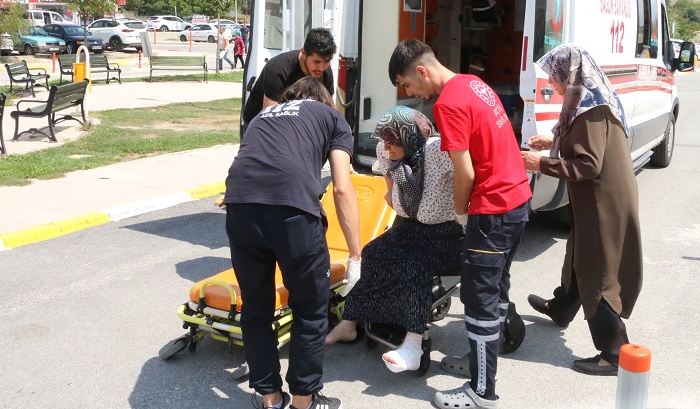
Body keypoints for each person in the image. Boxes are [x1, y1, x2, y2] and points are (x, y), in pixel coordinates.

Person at [388, 39, 532, 409]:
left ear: (421, 70)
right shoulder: (472, 83)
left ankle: (482, 391)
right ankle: (483, 362)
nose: (409, 92)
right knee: (498, 287)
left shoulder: (448, 102)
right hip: (517, 201)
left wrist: (459, 212)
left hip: (493, 208)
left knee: (479, 300)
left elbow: (464, 171)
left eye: (407, 84)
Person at [224, 76, 362, 409]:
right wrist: (356, 255)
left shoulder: (262, 117)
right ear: (325, 100)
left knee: (256, 309)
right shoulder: (331, 117)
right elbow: (343, 188)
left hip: (239, 209)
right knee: (310, 311)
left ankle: (270, 400)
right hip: (292, 213)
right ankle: (304, 401)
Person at [520, 44, 642, 377]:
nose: (553, 86)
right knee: (579, 253)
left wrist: (541, 163)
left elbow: (588, 164)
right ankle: (561, 308)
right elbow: (584, 144)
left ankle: (614, 353)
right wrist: (551, 143)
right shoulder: (588, 101)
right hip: (599, 197)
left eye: (555, 79)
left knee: (597, 270)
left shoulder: (589, 110)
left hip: (603, 201)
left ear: (569, 76)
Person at [325, 106, 464, 374]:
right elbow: (393, 195)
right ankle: (352, 322)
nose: (387, 150)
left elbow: (472, 164)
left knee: (415, 264)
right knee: (374, 252)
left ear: (409, 137)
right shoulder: (395, 159)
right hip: (412, 228)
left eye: (392, 144)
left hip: (447, 233)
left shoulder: (437, 153)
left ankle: (413, 343)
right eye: (385, 144)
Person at [242, 27, 336, 130]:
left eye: (327, 61)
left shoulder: (325, 71)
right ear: (304, 53)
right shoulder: (278, 69)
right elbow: (269, 118)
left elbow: (330, 108)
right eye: (316, 62)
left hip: (298, 124)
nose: (321, 68)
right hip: (259, 125)